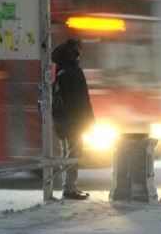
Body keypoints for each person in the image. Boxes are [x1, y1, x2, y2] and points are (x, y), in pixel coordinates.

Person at [51, 38, 96, 200]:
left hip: (60, 119)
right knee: (73, 154)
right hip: (74, 121)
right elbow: (83, 101)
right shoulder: (74, 72)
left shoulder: (56, 69)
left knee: (66, 153)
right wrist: (91, 123)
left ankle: (68, 185)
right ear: (76, 52)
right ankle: (69, 188)